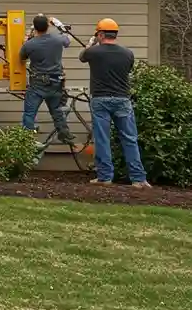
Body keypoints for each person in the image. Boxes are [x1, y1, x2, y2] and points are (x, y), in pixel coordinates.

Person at [79, 18, 150, 188]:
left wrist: (91, 42)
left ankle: (105, 177)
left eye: (98, 34)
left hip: (100, 99)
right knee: (130, 139)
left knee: (103, 139)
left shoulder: (94, 52)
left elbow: (82, 56)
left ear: (101, 34)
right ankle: (138, 179)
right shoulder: (128, 53)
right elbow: (128, 69)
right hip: (122, 99)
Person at [19, 14, 77, 150]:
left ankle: (27, 140)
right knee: (57, 111)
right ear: (48, 26)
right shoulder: (57, 39)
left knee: (30, 113)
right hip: (55, 82)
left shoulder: (30, 44)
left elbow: (22, 57)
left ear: (35, 28)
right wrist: (60, 25)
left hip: (37, 84)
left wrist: (28, 35)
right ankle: (64, 133)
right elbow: (69, 39)